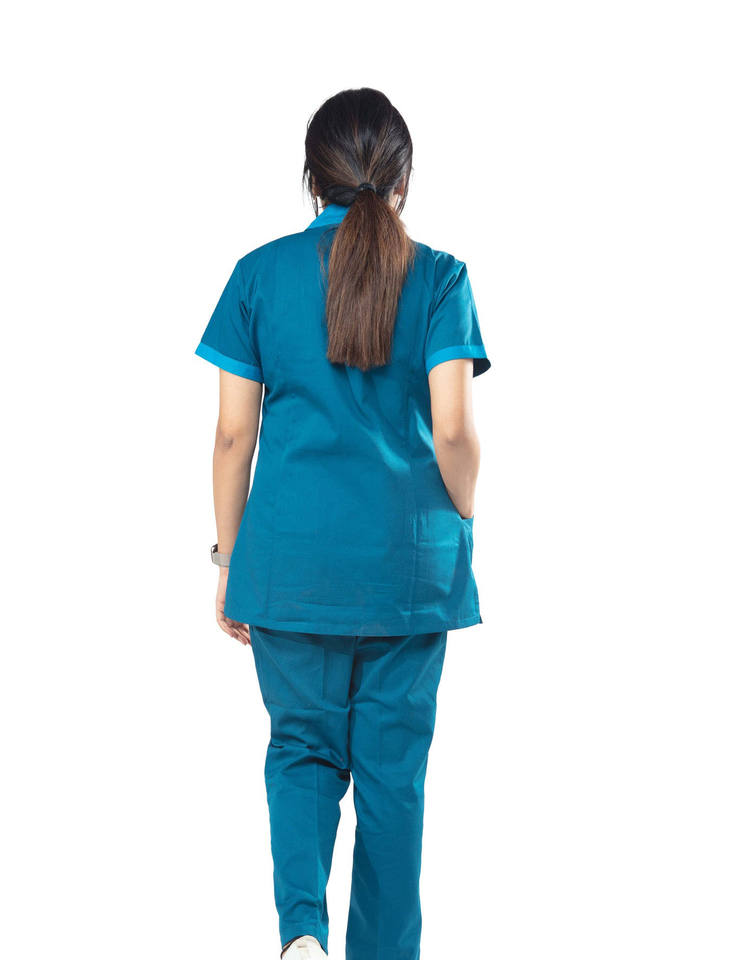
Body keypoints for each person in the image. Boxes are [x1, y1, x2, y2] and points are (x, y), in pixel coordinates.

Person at [194, 87, 490, 960]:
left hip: (289, 565)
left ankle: (301, 935)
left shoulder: (259, 274)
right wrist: (463, 512)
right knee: (394, 782)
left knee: (300, 752)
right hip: (408, 571)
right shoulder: (440, 277)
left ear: (310, 178)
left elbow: (232, 434)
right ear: (402, 180)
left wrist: (229, 558)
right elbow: (452, 429)